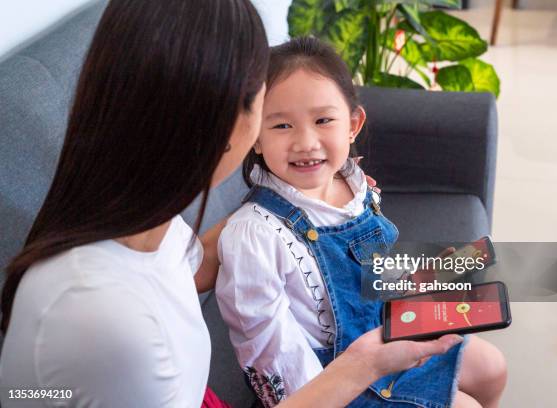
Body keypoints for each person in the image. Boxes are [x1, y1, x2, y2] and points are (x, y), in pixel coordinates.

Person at [0, 1, 463, 407]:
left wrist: (309, 218)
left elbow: (41, 392)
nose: (301, 139)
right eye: (269, 112)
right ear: (234, 128)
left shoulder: (148, 224)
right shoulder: (112, 328)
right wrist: (362, 364)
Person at [215, 37, 507, 407]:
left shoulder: (353, 184)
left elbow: (367, 275)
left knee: (492, 366)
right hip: (331, 380)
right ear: (254, 136)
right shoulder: (253, 235)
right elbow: (270, 355)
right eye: (282, 126)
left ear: (352, 125)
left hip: (388, 327)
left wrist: (418, 279)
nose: (306, 142)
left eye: (323, 120)